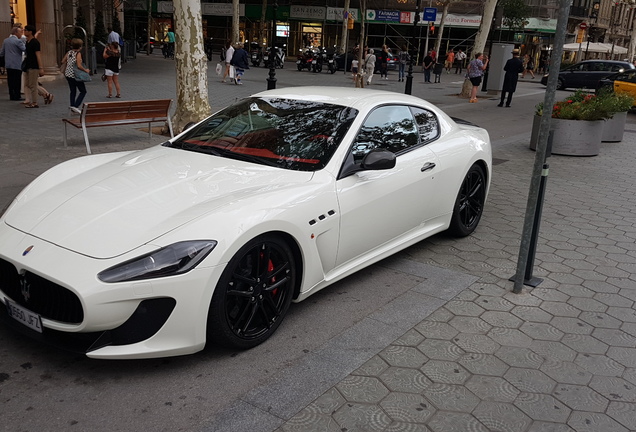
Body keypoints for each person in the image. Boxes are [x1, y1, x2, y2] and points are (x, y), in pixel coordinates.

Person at [61, 38, 90, 113]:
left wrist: (69, 62)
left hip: (68, 74)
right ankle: (76, 106)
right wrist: (85, 70)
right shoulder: (78, 54)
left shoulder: (69, 52)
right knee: (83, 91)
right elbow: (79, 66)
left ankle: (72, 105)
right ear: (80, 46)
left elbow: (63, 61)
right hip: (75, 75)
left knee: (72, 90)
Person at [0, 26, 25, 101]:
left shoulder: (6, 41)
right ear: (16, 33)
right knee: (17, 80)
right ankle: (17, 95)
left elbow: (2, 52)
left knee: (10, 80)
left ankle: (11, 95)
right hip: (17, 64)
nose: (21, 34)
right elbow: (24, 49)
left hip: (8, 64)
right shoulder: (18, 41)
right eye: (20, 32)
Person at [22, 25, 45, 108]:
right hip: (28, 65)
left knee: (33, 85)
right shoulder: (28, 41)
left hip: (34, 66)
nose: (24, 31)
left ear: (30, 32)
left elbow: (38, 55)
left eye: (25, 30)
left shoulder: (35, 42)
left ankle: (35, 102)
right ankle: (43, 96)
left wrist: (41, 68)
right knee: (27, 84)